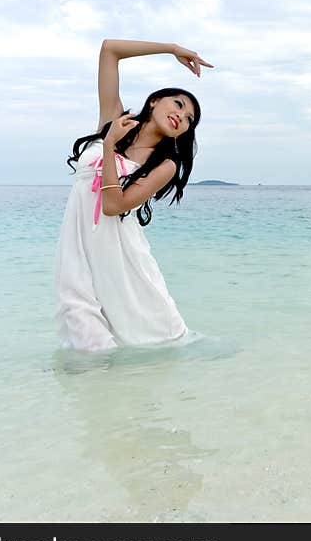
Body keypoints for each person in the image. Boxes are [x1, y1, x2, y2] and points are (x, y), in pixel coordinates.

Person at [54, 39, 214, 351]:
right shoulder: (114, 119)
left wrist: (111, 146)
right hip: (79, 252)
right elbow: (109, 50)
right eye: (178, 105)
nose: (181, 117)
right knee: (87, 343)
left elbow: (114, 206)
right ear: (155, 101)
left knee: (150, 334)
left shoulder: (165, 164)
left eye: (188, 120)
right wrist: (171, 48)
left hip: (122, 261)